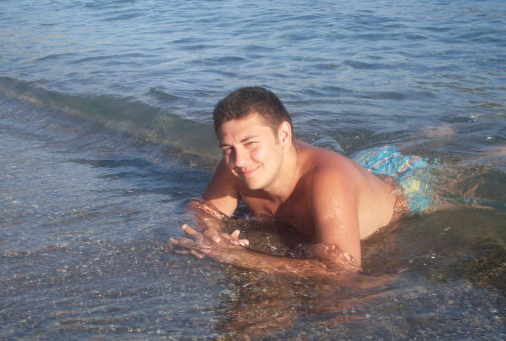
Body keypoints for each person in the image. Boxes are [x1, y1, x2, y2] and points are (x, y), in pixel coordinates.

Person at [171, 87, 431, 280]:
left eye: (251, 144)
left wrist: (239, 256)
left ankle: (433, 135)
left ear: (283, 135)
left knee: (427, 160)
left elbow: (343, 270)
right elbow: (204, 209)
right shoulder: (237, 165)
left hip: (404, 187)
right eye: (228, 148)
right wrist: (212, 233)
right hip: (355, 172)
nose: (239, 160)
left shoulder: (329, 181)